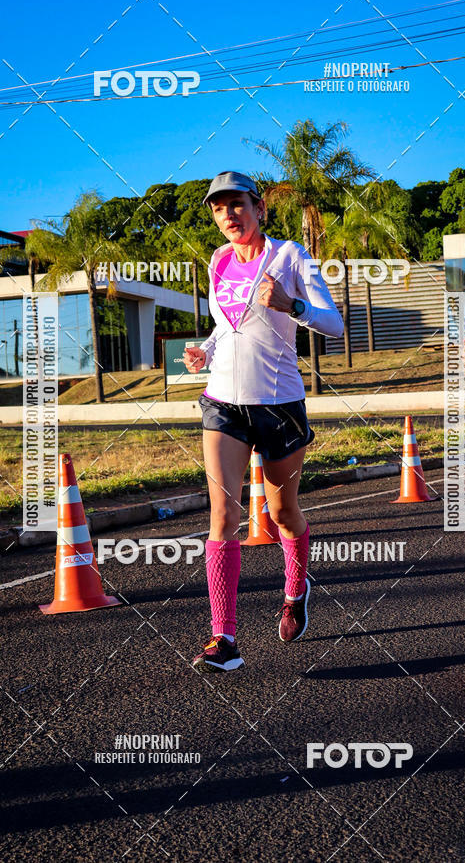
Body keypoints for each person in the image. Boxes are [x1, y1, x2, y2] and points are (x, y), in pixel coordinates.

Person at [183, 171, 344, 672]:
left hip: (279, 404)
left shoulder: (290, 255)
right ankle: (224, 639)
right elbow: (226, 322)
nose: (228, 215)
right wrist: (205, 350)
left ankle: (296, 591)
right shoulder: (219, 260)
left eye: (237, 205)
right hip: (222, 404)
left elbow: (334, 323)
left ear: (259, 210)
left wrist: (290, 304)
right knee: (224, 518)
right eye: (218, 208)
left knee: (281, 515)